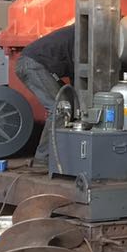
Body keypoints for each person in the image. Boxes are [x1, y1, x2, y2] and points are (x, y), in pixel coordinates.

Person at [15, 24, 75, 166]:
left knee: (68, 101)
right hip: (33, 65)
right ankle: (43, 158)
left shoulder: (80, 32)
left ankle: (61, 153)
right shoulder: (84, 37)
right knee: (61, 107)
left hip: (35, 64)